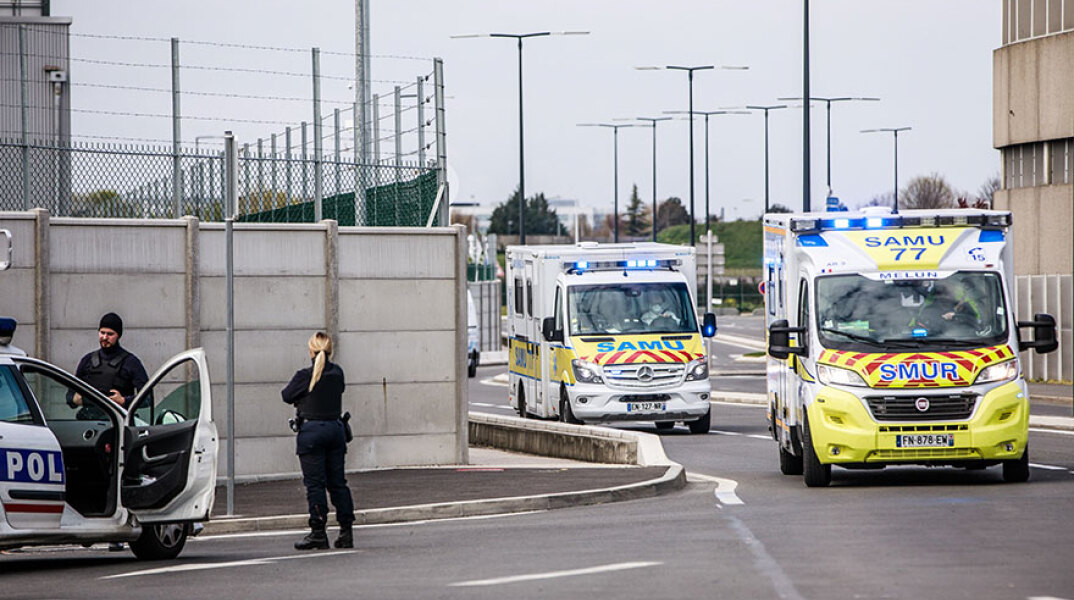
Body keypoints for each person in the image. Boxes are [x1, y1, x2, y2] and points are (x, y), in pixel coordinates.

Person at [281, 332, 355, 550]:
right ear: (330, 350)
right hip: (335, 430)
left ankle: (318, 532)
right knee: (338, 483)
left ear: (311, 351)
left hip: (312, 432)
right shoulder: (338, 373)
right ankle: (346, 531)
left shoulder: (305, 375)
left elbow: (286, 395)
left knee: (315, 485)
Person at [70, 312, 149, 411]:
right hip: (88, 420)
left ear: (118, 335)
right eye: (102, 333)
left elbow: (147, 398)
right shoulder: (87, 360)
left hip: (118, 420)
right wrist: (76, 399)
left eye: (110, 334)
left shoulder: (131, 362)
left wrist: (124, 401)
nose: (105, 337)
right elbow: (70, 395)